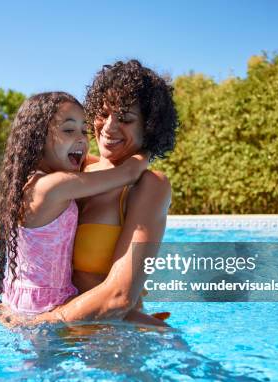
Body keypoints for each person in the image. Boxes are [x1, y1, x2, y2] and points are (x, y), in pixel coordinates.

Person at [33, 60, 178, 326]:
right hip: (61, 336)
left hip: (114, 339)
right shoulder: (73, 168)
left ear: (149, 127)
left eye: (125, 119)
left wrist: (38, 323)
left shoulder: (148, 186)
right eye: (103, 113)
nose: (109, 127)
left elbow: (119, 297)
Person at [0, 91, 157, 321]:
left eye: (85, 131)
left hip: (21, 301)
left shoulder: (31, 183)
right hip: (44, 309)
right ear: (37, 139)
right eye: (68, 130)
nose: (81, 139)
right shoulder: (54, 186)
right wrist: (150, 144)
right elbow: (128, 173)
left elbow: (93, 162)